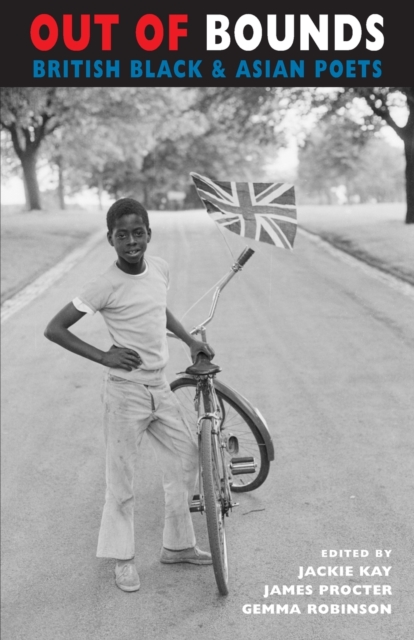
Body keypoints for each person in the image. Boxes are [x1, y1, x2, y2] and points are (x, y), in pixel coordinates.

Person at [44, 197, 215, 593]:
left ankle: (177, 545)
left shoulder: (160, 268)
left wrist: (190, 340)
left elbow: (159, 309)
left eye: (138, 233)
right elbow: (55, 329)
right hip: (126, 393)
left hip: (159, 386)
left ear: (149, 234)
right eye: (123, 235)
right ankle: (123, 560)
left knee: (188, 456)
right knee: (121, 478)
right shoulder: (104, 285)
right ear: (111, 239)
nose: (132, 241)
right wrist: (104, 355)